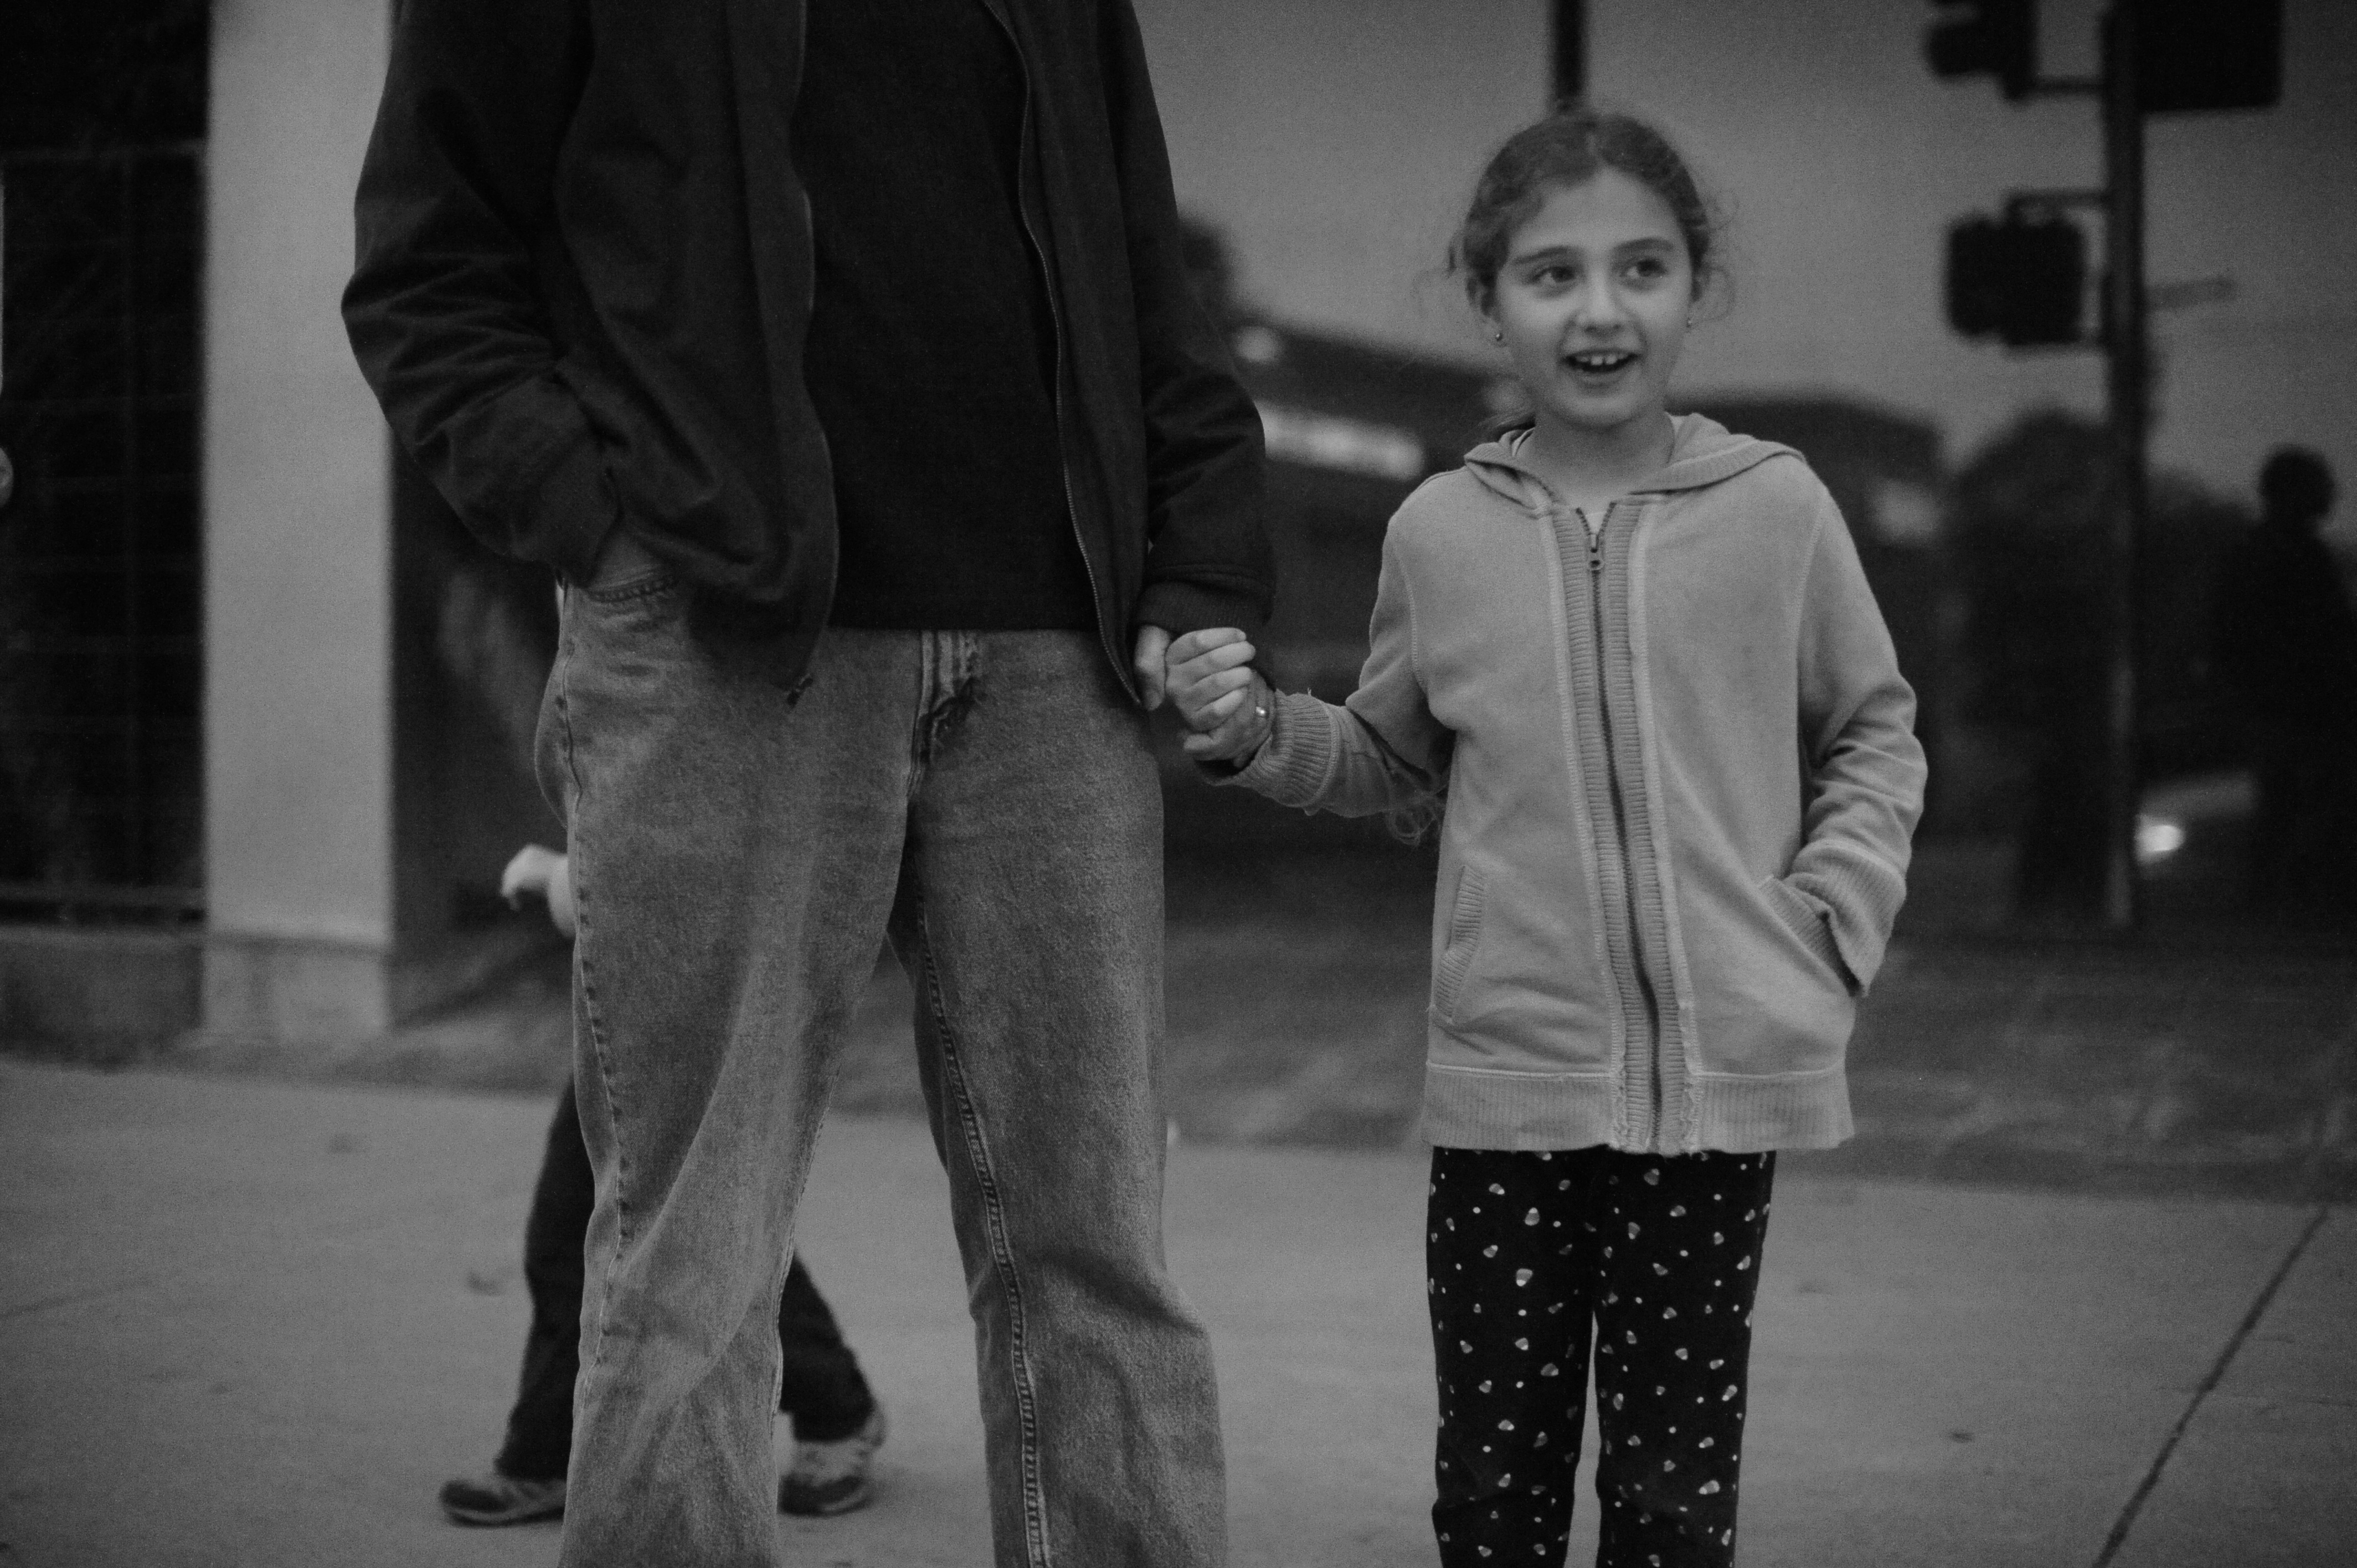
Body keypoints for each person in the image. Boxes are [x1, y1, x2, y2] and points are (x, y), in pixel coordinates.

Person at [342, 4, 1272, 1565]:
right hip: (721, 641)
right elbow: (428, 271)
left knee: (1097, 1253)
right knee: (691, 1260)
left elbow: (1139, 273)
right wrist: (598, 525)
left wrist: (1196, 556)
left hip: (1054, 658)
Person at [1166, 107, 1925, 1567]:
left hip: (1713, 1100)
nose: (1598, 311)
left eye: (1641, 269)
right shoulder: (1438, 532)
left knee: (1671, 1503)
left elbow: (1872, 732)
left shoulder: (1777, 508)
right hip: (1512, 1082)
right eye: (1552, 274)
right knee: (1493, 1497)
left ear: (1694, 288)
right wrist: (1255, 726)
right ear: (1489, 300)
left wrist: (1829, 924)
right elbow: (1391, 762)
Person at [438, 847, 886, 1528]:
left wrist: (565, 878)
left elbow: (703, 846)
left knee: (695, 1227)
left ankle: (836, 1408)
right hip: (628, 995)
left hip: (707, 979)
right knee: (604, 1225)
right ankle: (549, 1448)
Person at [2211, 447, 2357, 911]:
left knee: (2289, 809)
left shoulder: (2273, 553)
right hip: (2297, 712)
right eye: (2319, 486)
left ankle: (2281, 902)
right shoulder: (2286, 556)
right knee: (2300, 809)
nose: (2331, 495)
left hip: (2290, 710)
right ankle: (2292, 904)